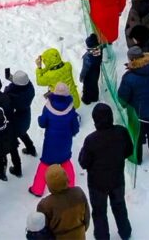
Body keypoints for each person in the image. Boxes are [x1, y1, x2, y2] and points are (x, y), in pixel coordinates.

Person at [79, 103, 133, 240]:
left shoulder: (91, 140)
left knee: (99, 212)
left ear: (95, 120)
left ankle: (102, 237)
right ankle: (126, 233)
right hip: (117, 180)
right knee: (120, 205)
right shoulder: (121, 132)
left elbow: (83, 163)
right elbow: (129, 151)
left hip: (97, 185)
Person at [29, 82, 80, 197]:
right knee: (66, 162)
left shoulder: (48, 107)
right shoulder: (71, 109)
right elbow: (75, 128)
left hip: (50, 142)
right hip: (65, 142)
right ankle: (70, 187)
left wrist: (40, 119)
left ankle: (37, 189)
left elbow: (42, 123)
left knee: (45, 164)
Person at [117, 46, 149, 163]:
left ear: (132, 60)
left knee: (136, 137)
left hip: (137, 114)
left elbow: (122, 97)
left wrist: (125, 105)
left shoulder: (129, 78)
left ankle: (137, 158)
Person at [37, 165, 90, 240]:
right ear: (66, 177)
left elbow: (43, 231)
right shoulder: (78, 193)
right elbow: (86, 219)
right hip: (79, 236)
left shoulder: (44, 205)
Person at [4, 70, 37, 157]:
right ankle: (31, 148)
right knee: (23, 133)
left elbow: (7, 96)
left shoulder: (14, 96)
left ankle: (17, 167)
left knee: (13, 142)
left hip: (15, 120)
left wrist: (7, 90)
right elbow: (20, 85)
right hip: (25, 117)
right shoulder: (29, 88)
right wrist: (11, 78)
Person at [80, 33, 103, 105]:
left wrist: (82, 76)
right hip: (96, 72)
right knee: (94, 85)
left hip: (88, 75)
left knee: (87, 87)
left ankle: (86, 100)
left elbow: (85, 68)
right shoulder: (99, 50)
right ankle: (95, 97)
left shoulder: (88, 57)